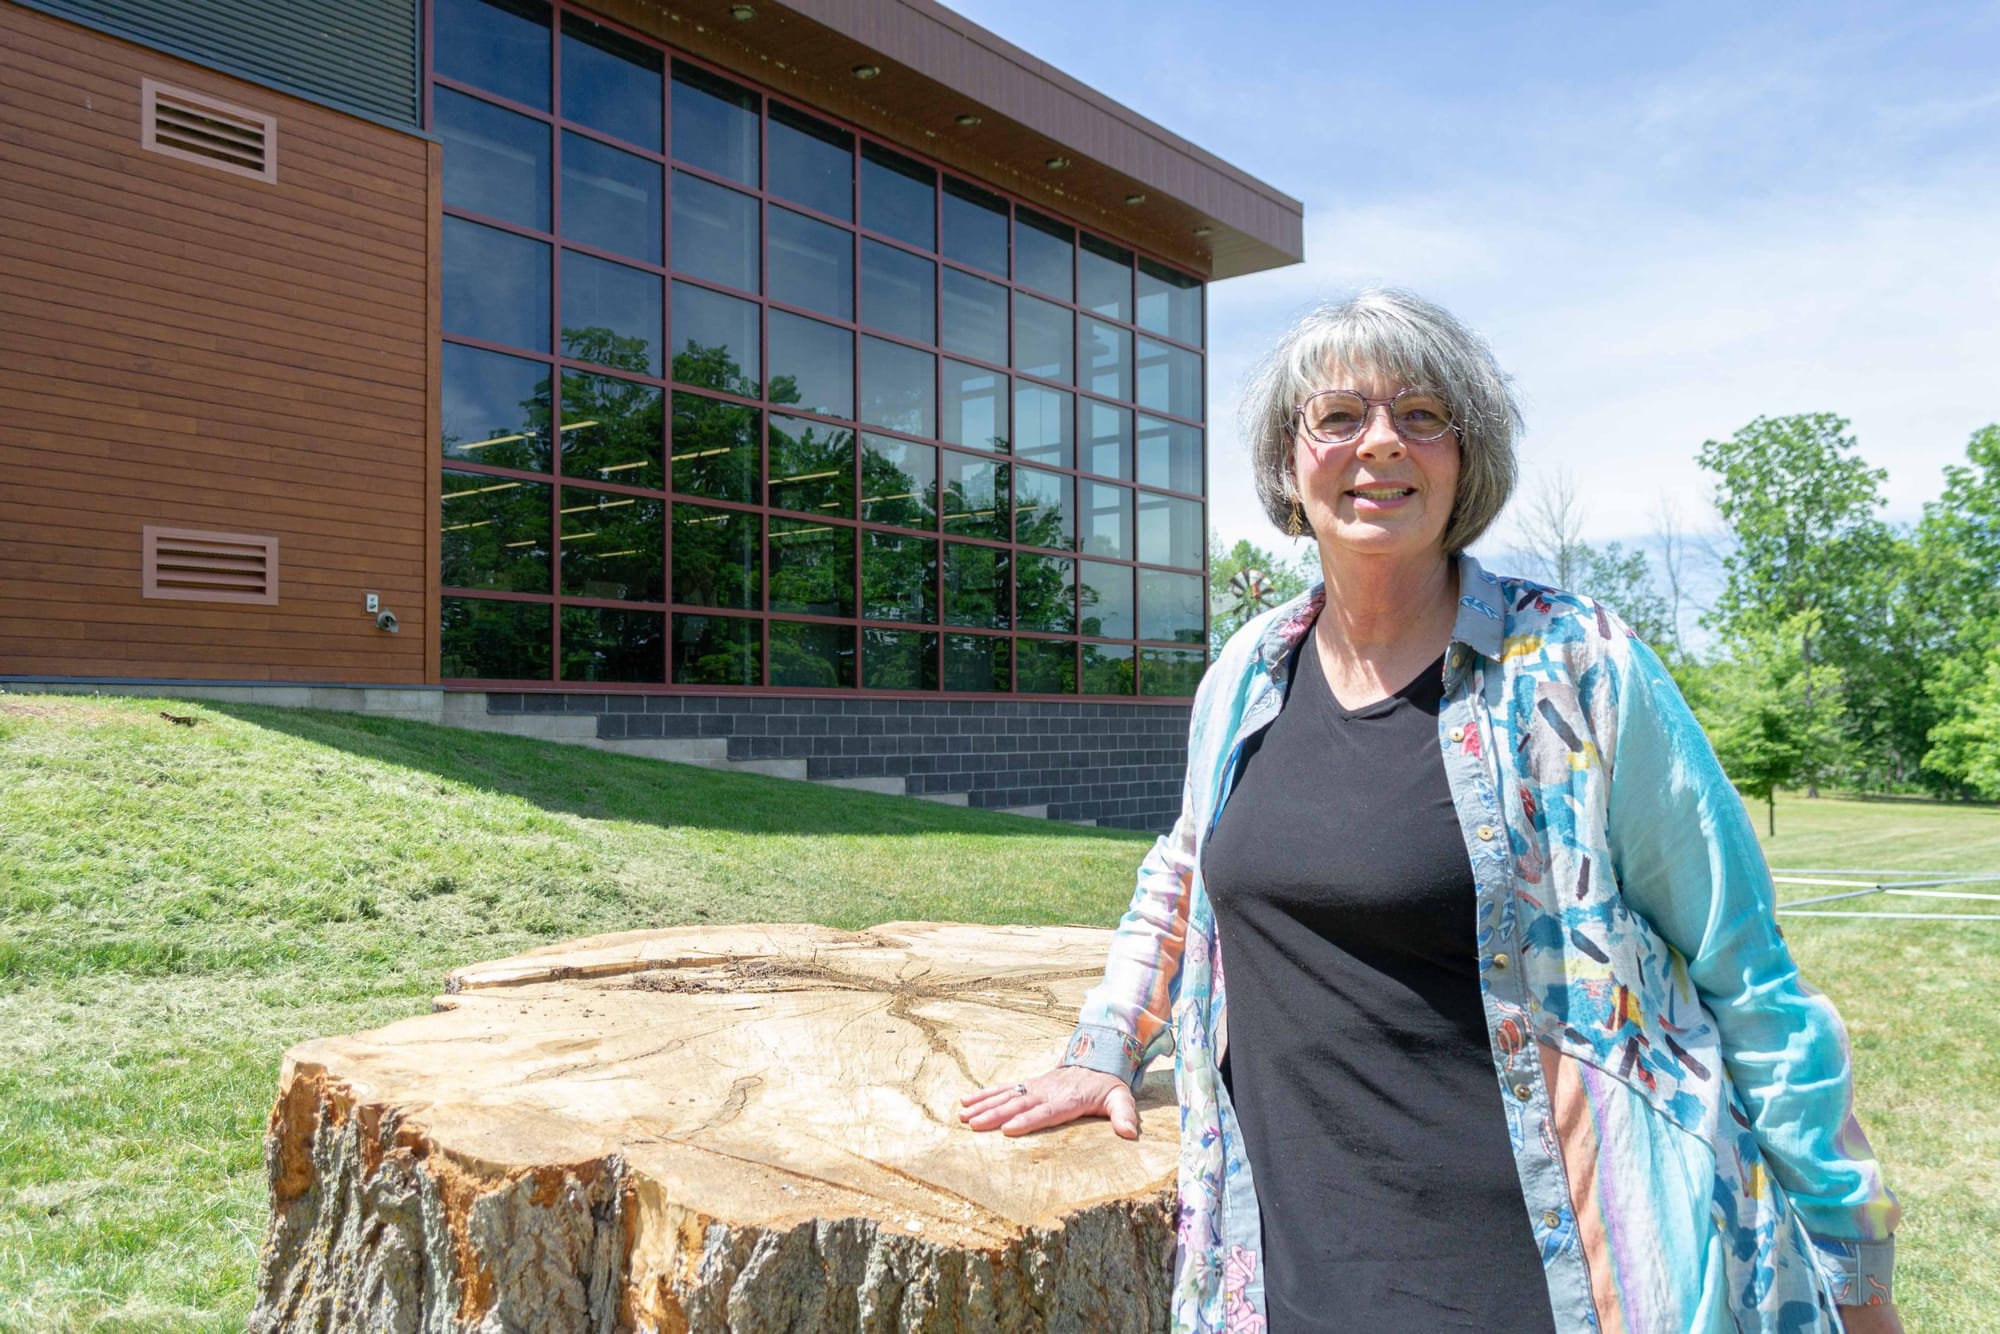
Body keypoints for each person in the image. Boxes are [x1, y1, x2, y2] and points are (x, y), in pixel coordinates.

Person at [961, 291, 1902, 1334]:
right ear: (1287, 457)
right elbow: (1182, 870)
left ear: (1465, 459)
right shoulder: (1246, 670)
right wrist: (1101, 1045)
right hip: (1287, 1285)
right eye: (1338, 416)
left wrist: (1852, 1265)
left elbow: (1746, 967)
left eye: (1420, 414)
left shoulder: (1577, 668)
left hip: (1547, 1285)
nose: (1379, 444)